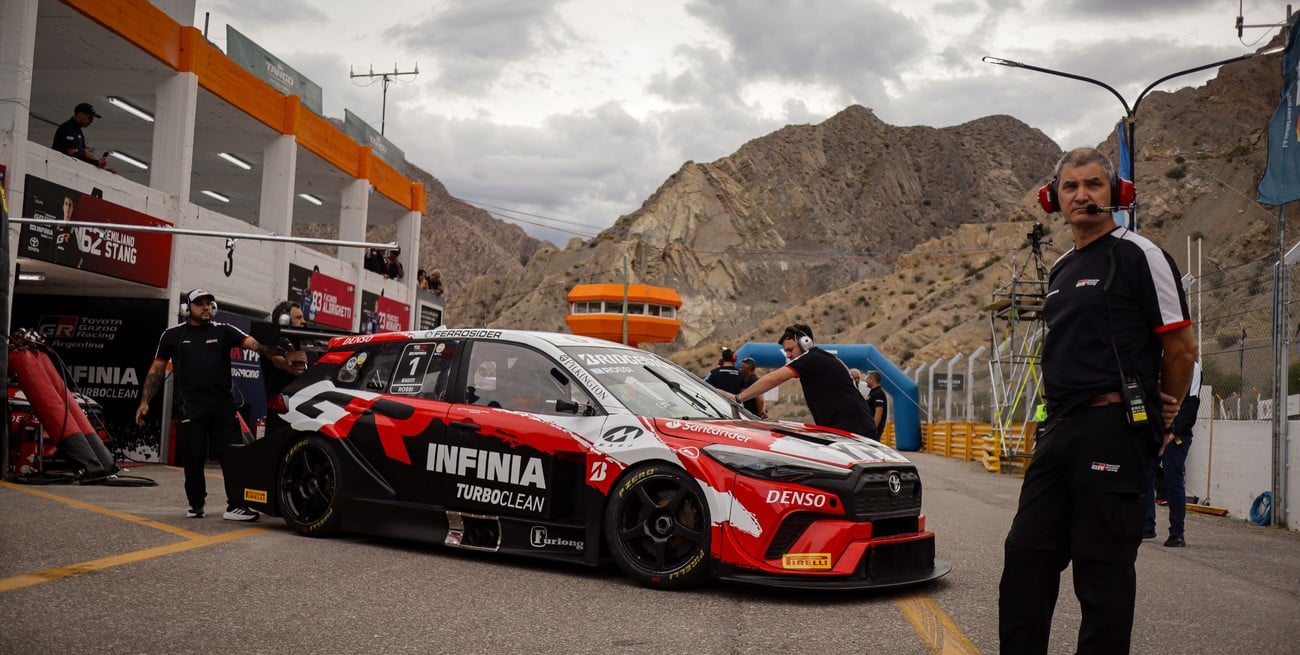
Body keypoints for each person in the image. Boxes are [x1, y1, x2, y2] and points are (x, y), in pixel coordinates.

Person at [998, 148, 1196, 654]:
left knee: (1101, 573)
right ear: (1054, 198)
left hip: (1114, 427)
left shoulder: (1140, 255)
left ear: (1116, 194)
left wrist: (1165, 415)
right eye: (1070, 187)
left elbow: (1180, 347)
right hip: (1057, 431)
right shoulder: (1062, 266)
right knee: (1026, 557)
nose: (1082, 195)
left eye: (1093, 185)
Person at [135, 289, 272, 522]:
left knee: (232, 455)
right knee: (193, 456)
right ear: (189, 308)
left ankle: (236, 506)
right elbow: (157, 370)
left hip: (222, 407)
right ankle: (196, 504)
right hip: (191, 407)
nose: (206, 307)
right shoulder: (172, 335)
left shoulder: (224, 330)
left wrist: (274, 353)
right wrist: (145, 401)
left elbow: (252, 344)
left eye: (209, 303)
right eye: (199, 304)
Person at [734, 324, 876, 439]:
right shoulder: (821, 358)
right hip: (852, 427)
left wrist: (738, 398)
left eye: (790, 350)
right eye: (786, 351)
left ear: (805, 343)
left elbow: (774, 378)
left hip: (853, 429)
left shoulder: (811, 358)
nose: (788, 355)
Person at [1144, 361, 1202, 548]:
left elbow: (1192, 403)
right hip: (1157, 431)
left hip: (1178, 434)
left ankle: (1177, 533)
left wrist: (1174, 432)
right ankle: (1147, 525)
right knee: (1147, 475)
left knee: (1173, 479)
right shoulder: (1158, 362)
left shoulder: (1192, 367)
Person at [260, 300, 307, 403]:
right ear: (284, 320)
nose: (303, 321)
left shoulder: (302, 342)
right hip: (281, 406)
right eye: (299, 318)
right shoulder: (273, 339)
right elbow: (275, 358)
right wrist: (287, 365)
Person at [52, 103, 115, 173]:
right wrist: (97, 163)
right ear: (80, 114)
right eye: (90, 117)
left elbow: (85, 153)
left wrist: (101, 166)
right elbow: (73, 155)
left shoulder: (78, 130)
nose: (91, 121)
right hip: (60, 168)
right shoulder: (68, 128)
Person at [865, 370, 888, 437]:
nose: (866, 381)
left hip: (873, 429)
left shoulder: (879, 393)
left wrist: (874, 428)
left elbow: (879, 411)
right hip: (869, 426)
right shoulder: (873, 392)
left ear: (872, 379)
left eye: (867, 379)